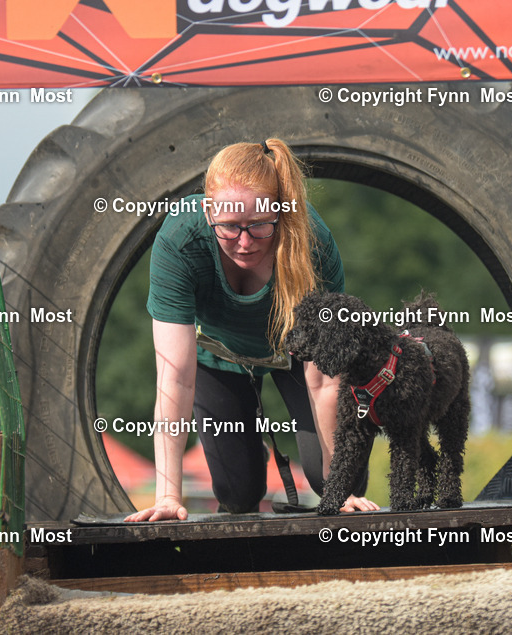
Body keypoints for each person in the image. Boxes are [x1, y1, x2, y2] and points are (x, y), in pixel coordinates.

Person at [126, 139, 378, 522]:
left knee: (334, 482)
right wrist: (167, 495)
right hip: (219, 355)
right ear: (208, 211)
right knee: (238, 492)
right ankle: (245, 440)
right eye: (228, 227)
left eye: (259, 226)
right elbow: (174, 377)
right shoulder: (179, 241)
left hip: (296, 354)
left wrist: (339, 489)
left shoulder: (312, 241)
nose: (244, 243)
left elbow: (326, 380)